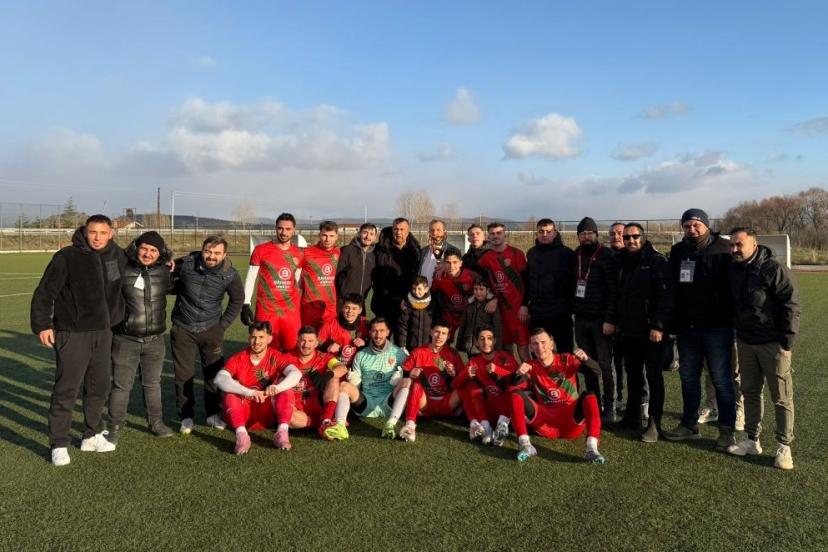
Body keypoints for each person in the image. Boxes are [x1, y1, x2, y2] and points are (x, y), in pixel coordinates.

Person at [31, 214, 126, 466]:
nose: (97, 238)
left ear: (111, 234)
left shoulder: (116, 254)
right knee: (66, 389)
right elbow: (45, 292)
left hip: (103, 332)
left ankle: (91, 435)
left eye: (103, 233)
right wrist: (43, 324)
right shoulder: (67, 256)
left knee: (99, 386)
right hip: (73, 332)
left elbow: (143, 258)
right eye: (93, 232)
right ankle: (59, 443)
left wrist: (169, 260)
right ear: (85, 232)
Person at [726, 227, 800, 469]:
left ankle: (784, 446)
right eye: (732, 245)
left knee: (781, 397)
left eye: (739, 244)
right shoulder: (733, 269)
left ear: (754, 245)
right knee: (750, 392)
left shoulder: (774, 269)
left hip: (772, 344)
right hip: (745, 342)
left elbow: (791, 305)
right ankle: (752, 440)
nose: (734, 249)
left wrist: (786, 342)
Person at [664, 209, 738, 451]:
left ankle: (726, 431)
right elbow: (672, 288)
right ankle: (689, 425)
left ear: (706, 225)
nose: (692, 229)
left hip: (717, 328)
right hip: (687, 329)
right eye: (687, 225)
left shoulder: (724, 249)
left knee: (721, 380)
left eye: (696, 225)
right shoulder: (678, 251)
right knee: (688, 378)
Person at [171, 235, 244, 435]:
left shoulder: (230, 274)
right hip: (183, 328)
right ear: (202, 250)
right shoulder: (186, 264)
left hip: (211, 329)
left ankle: (213, 413)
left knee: (213, 374)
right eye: (208, 251)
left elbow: (237, 299)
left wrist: (222, 326)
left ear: (225, 255)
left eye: (217, 253)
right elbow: (166, 269)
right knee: (183, 375)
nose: (211, 256)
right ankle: (186, 416)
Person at [107, 231, 175, 445]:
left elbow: (189, 269)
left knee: (153, 384)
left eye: (153, 250)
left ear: (160, 253)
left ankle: (156, 423)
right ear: (136, 247)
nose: (148, 253)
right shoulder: (120, 267)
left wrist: (177, 261)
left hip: (155, 340)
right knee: (121, 386)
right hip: (125, 339)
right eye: (144, 248)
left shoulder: (165, 272)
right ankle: (114, 426)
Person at [508, 329, 606, 464]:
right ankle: (525, 445)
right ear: (530, 348)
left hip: (571, 421)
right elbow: (513, 384)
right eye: (535, 344)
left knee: (590, 396)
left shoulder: (566, 359)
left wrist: (586, 359)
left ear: (551, 344)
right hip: (544, 422)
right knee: (515, 395)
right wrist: (518, 374)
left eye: (543, 342)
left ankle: (592, 448)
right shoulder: (531, 366)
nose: (540, 347)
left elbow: (596, 372)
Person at [615, 223, 673, 441]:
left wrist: (658, 325)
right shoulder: (622, 261)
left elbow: (666, 296)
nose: (631, 241)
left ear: (643, 237)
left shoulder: (656, 261)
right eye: (627, 237)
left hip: (651, 332)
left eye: (635, 236)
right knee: (633, 375)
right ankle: (632, 417)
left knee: (654, 377)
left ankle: (654, 424)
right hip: (629, 330)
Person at [212, 322, 301, 455]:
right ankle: (242, 436)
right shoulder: (239, 358)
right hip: (243, 414)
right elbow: (219, 379)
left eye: (261, 337)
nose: (256, 341)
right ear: (249, 338)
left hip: (267, 413)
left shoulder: (276, 356)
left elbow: (296, 373)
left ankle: (282, 432)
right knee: (230, 393)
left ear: (269, 339)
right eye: (253, 337)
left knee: (286, 388)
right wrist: (249, 392)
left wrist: (277, 388)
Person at [269, 326, 349, 449]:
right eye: (303, 340)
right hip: (297, 408)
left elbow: (342, 368)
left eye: (310, 341)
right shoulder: (286, 358)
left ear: (317, 343)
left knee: (334, 378)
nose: (306, 345)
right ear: (297, 341)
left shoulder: (324, 357)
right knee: (289, 418)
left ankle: (327, 418)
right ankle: (322, 424)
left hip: (319, 404)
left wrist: (327, 375)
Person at [571, 217, 618, 423]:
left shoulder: (606, 255)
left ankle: (610, 406)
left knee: (605, 366)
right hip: (581, 319)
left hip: (601, 321)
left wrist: (609, 319)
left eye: (590, 233)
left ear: (597, 235)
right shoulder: (576, 255)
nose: (586, 237)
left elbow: (613, 290)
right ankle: (594, 404)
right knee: (588, 365)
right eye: (582, 234)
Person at [336, 318, 411, 439]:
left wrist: (401, 377)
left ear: (388, 332)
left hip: (389, 402)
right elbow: (356, 386)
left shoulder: (399, 353)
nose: (378, 335)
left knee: (407, 381)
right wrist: (353, 381)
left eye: (381, 331)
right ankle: (340, 426)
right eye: (374, 331)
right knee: (343, 386)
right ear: (370, 332)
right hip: (366, 403)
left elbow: (408, 376)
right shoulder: (360, 355)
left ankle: (390, 424)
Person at [241, 212, 303, 351]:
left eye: (288, 229)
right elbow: (251, 278)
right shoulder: (260, 250)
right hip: (267, 310)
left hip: (290, 311)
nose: (283, 232)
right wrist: (246, 303)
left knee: (293, 348)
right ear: (275, 228)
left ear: (294, 230)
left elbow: (299, 282)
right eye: (280, 228)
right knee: (268, 350)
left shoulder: (299, 253)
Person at [398, 321, 465, 442]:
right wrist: (410, 374)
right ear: (430, 332)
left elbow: (462, 379)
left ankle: (476, 423)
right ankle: (410, 426)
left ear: (448, 336)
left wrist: (453, 374)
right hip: (425, 403)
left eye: (444, 333)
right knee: (416, 385)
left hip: (447, 402)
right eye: (437, 332)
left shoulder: (453, 354)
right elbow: (402, 373)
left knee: (467, 386)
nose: (439, 336)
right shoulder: (418, 351)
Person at [453, 327, 518, 445]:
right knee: (469, 384)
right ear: (476, 342)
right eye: (482, 339)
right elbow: (455, 384)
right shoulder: (474, 361)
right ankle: (486, 427)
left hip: (507, 409)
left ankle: (501, 426)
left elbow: (517, 380)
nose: (486, 342)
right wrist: (465, 375)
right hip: (486, 409)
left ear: (495, 341)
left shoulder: (505, 357)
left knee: (512, 388)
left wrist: (498, 370)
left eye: (489, 338)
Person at [478, 222, 530, 361]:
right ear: (488, 236)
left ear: (505, 234)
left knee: (523, 349)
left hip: (517, 310)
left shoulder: (516, 253)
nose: (495, 236)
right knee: (505, 349)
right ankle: (510, 374)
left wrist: (525, 305)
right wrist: (492, 298)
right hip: (499, 311)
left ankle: (530, 374)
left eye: (499, 233)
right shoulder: (486, 257)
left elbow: (527, 281)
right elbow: (478, 277)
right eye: (492, 233)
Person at [525, 218, 576, 353]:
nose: (545, 234)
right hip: (537, 313)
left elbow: (574, 282)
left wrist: (570, 306)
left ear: (555, 233)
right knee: (539, 351)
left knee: (565, 352)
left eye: (548, 231)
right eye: (541, 231)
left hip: (560, 313)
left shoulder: (567, 253)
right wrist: (525, 304)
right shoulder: (531, 253)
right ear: (536, 233)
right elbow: (528, 281)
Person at [371, 217, 422, 339]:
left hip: (405, 304)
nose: (398, 232)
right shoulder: (378, 249)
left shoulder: (415, 251)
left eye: (402, 229)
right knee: (381, 339)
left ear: (408, 231)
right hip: (383, 303)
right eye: (396, 229)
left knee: (402, 341)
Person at [299, 220, 341, 330]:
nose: (327, 239)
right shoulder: (306, 252)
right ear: (319, 235)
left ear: (337, 236)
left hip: (330, 308)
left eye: (331, 236)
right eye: (324, 235)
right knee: (308, 337)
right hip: (309, 306)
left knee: (328, 338)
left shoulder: (339, 253)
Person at [608, 222, 630, 414]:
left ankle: (642, 402)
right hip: (609, 320)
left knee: (635, 365)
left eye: (620, 233)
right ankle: (617, 399)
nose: (616, 237)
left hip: (631, 321)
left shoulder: (636, 257)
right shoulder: (605, 257)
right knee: (613, 364)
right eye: (612, 233)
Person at [431, 250, 475, 341]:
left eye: (455, 262)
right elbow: (429, 295)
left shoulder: (471, 276)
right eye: (448, 262)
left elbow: (486, 289)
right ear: (444, 263)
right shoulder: (439, 277)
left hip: (467, 321)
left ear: (461, 263)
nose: (451, 266)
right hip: (448, 321)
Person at [318, 293, 369, 367]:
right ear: (342, 308)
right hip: (335, 363)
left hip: (358, 364)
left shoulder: (366, 323)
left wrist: (365, 343)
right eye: (347, 307)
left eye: (354, 308)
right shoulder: (330, 324)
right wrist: (327, 346)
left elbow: (378, 344)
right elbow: (316, 344)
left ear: (360, 310)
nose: (350, 311)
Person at [335, 222, 377, 309]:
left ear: (375, 237)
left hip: (360, 301)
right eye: (365, 232)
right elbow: (337, 274)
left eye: (371, 234)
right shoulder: (347, 250)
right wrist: (343, 293)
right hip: (344, 301)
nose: (368, 237)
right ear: (359, 233)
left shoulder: (372, 255)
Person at [456, 277, 503, 355]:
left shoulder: (492, 306)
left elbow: (497, 327)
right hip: (470, 345)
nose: (478, 292)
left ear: (487, 290)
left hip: (485, 345)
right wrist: (459, 345)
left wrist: (498, 349)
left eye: (481, 289)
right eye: (475, 289)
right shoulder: (469, 305)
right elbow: (463, 325)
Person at [419, 218, 461, 286]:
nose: (435, 233)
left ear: (444, 232)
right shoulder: (423, 251)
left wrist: (446, 266)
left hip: (443, 290)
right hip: (423, 291)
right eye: (432, 230)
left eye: (438, 230)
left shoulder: (454, 251)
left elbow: (459, 272)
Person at [397, 276, 434, 352]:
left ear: (426, 289)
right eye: (414, 288)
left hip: (428, 346)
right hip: (411, 346)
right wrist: (402, 345)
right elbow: (403, 326)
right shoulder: (407, 303)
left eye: (419, 289)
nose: (416, 292)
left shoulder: (433, 303)